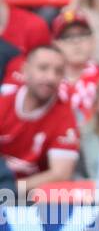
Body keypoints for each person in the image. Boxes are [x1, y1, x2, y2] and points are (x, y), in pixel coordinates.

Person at [0, 46, 80, 198]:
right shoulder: (3, 102)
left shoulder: (65, 116)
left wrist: (9, 189)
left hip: (32, 199)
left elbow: (60, 174)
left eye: (58, 71)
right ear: (25, 70)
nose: (51, 77)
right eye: (43, 68)